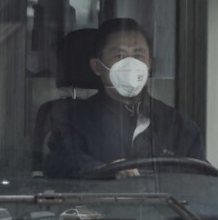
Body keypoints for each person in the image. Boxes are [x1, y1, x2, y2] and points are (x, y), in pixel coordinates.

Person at [43, 18, 205, 179]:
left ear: (150, 64)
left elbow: (199, 184)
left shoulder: (180, 126)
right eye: (119, 55)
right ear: (97, 66)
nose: (131, 64)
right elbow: (61, 164)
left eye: (139, 56)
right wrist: (103, 171)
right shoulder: (72, 122)